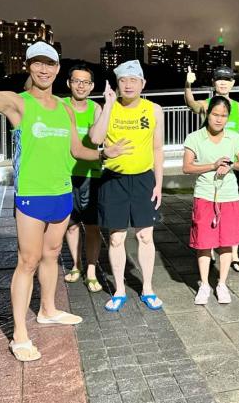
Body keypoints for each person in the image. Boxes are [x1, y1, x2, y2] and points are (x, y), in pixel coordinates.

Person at [0, 21, 129, 361]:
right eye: (38, 63)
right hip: (32, 195)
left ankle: (47, 310)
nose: (44, 69)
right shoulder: (17, 103)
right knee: (28, 261)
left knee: (52, 255)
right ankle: (19, 333)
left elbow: (77, 150)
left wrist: (105, 154)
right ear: (29, 66)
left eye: (50, 64)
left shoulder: (64, 107)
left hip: (62, 192)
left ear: (57, 69)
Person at [90, 60, 165, 312]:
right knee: (116, 238)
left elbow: (157, 148)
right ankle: (120, 290)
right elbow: (95, 139)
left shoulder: (154, 110)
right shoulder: (106, 108)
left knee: (145, 236)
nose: (128, 85)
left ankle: (147, 288)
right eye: (123, 80)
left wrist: (159, 184)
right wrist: (109, 105)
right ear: (117, 84)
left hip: (143, 179)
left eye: (134, 80)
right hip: (114, 180)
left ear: (143, 83)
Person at [183, 96, 239, 304]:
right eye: (215, 114)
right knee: (204, 242)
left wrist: (231, 165)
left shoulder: (233, 138)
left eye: (224, 116)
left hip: (229, 196)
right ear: (208, 113)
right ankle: (204, 284)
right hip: (204, 195)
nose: (219, 119)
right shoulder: (194, 138)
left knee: (227, 242)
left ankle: (222, 284)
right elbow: (187, 167)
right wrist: (213, 165)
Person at [62, 65, 103, 293]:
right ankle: (76, 265)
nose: (81, 86)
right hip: (65, 173)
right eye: (76, 81)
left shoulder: (96, 108)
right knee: (71, 225)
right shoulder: (60, 106)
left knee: (93, 226)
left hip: (91, 174)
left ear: (92, 86)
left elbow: (99, 138)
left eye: (86, 82)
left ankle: (91, 270)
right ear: (69, 83)